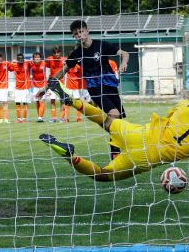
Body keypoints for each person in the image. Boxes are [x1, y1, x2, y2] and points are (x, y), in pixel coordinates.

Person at [40, 82, 189, 182]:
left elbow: (170, 116)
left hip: (139, 133)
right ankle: (71, 156)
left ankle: (71, 100)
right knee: (103, 175)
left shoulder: (186, 105)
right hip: (146, 156)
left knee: (106, 120)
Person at [49, 19, 129, 159]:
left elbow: (125, 53)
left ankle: (116, 147)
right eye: (76, 34)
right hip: (95, 88)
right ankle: (115, 150)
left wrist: (123, 63)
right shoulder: (77, 53)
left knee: (119, 121)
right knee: (114, 114)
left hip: (110, 85)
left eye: (81, 31)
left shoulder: (102, 45)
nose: (79, 35)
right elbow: (63, 71)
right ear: (74, 36)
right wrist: (46, 87)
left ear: (87, 31)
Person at [46, 46, 66, 123]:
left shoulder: (64, 59)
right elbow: (41, 62)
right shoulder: (50, 59)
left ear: (60, 52)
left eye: (58, 52)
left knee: (62, 101)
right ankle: (54, 117)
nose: (56, 54)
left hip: (61, 83)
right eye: (55, 52)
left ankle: (62, 117)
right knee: (52, 100)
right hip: (52, 83)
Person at [10, 53, 31, 123]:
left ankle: (24, 119)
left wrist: (26, 60)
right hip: (18, 87)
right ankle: (19, 119)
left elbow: (32, 62)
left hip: (26, 87)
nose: (21, 60)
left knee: (25, 103)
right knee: (17, 103)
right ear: (17, 59)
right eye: (19, 59)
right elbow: (9, 67)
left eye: (22, 58)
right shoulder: (14, 65)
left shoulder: (27, 63)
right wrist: (12, 62)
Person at [28, 52, 47, 122]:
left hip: (43, 85)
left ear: (41, 58)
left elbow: (52, 61)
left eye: (38, 57)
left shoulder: (44, 63)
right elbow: (23, 62)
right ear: (33, 58)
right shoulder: (30, 63)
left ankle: (40, 117)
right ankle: (39, 116)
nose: (37, 58)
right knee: (37, 102)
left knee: (42, 101)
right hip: (35, 86)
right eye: (35, 57)